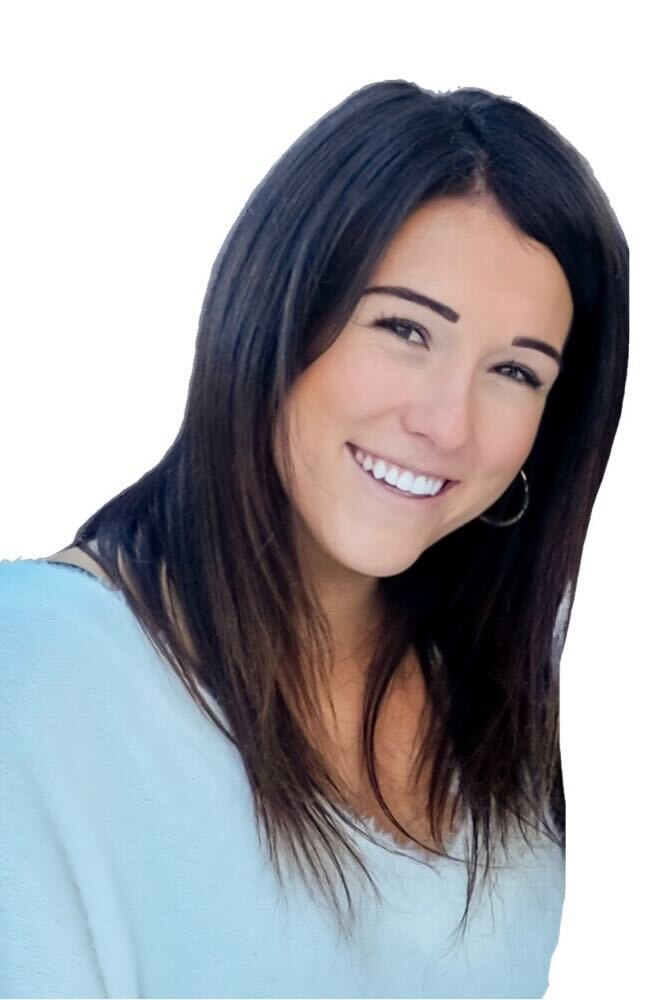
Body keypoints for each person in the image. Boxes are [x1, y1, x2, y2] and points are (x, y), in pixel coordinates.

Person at [0, 79, 628, 999]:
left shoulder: (492, 718)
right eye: (405, 328)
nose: (448, 424)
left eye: (514, 372)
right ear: (276, 315)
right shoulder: (41, 671)